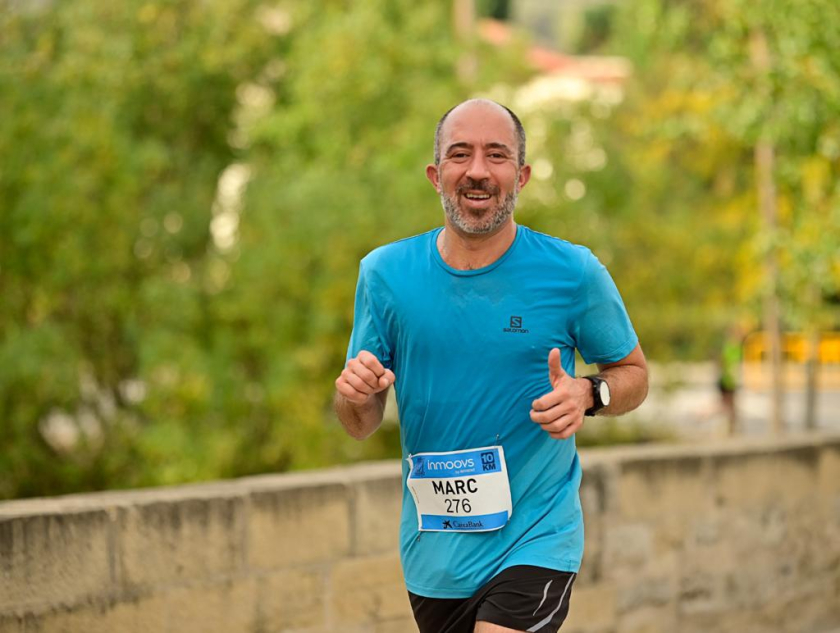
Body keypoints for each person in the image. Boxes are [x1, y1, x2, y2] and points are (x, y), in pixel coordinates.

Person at [334, 99, 649, 633]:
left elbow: (634, 374)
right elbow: (358, 423)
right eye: (460, 154)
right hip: (433, 557)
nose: (478, 170)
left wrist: (589, 394)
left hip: (536, 539)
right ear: (436, 175)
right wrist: (355, 395)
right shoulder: (385, 274)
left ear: (521, 175)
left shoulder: (572, 272)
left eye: (496, 155)